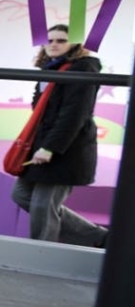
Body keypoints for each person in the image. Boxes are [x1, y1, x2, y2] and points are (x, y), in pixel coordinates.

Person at [10, 24, 109, 247]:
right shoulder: (51, 68)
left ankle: (41, 254)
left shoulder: (84, 68)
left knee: (44, 206)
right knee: (21, 195)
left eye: (61, 40)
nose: (53, 44)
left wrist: (50, 148)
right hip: (43, 144)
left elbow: (74, 114)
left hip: (65, 149)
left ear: (75, 44)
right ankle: (99, 237)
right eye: (50, 40)